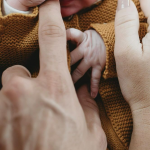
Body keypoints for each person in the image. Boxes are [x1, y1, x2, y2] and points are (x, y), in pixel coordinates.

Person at [0, 0, 150, 149]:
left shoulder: (129, 4)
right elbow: (9, 61)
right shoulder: (35, 14)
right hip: (47, 128)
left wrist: (106, 43)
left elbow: (144, 39)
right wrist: (16, 9)